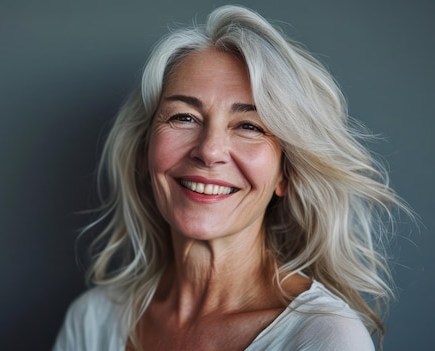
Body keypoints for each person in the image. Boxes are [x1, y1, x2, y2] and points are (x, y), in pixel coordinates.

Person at [54, 5, 412, 351]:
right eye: (184, 117)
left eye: (248, 126)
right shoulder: (94, 320)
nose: (209, 151)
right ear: (144, 152)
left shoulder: (325, 338)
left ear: (284, 175)